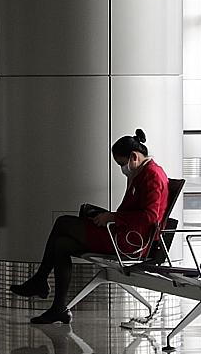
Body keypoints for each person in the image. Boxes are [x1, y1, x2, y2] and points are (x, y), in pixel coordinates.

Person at [9, 129, 170, 325]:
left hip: (129, 242)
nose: (122, 168)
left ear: (134, 157)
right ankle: (57, 307)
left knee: (63, 223)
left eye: (122, 164)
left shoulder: (152, 176)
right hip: (124, 233)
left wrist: (112, 217)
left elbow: (150, 217)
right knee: (61, 244)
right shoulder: (142, 173)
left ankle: (40, 281)